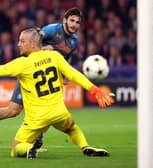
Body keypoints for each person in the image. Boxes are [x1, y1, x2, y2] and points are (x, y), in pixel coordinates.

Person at [0, 28, 114, 159]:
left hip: (37, 118)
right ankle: (85, 147)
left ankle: (29, 148)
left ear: (33, 44)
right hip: (59, 112)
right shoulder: (54, 56)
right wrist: (95, 90)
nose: (19, 44)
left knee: (15, 149)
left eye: (22, 41)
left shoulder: (22, 63)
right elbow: (74, 74)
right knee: (72, 129)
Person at [0, 7, 83, 120]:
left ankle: (37, 137)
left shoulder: (75, 41)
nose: (74, 24)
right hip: (32, 72)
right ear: (65, 20)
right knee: (13, 110)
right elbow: (32, 42)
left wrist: (65, 73)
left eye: (77, 22)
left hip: (46, 77)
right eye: (72, 21)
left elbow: (66, 57)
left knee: (44, 109)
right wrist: (43, 48)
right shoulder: (51, 30)